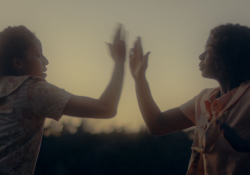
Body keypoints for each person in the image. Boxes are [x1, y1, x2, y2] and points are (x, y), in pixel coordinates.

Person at [0, 25, 126, 175]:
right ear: (18, 63)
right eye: (38, 54)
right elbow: (106, 108)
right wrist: (119, 62)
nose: (46, 61)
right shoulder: (33, 90)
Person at [129, 23, 250, 175]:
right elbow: (157, 125)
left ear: (229, 53)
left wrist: (245, 145)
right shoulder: (204, 99)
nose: (200, 56)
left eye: (208, 51)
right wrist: (139, 79)